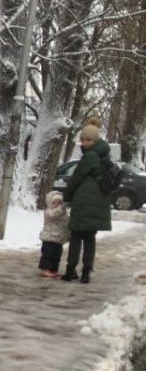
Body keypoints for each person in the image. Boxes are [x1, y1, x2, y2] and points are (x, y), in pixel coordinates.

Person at [62, 120, 113, 283]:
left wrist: (66, 197)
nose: (84, 143)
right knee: (90, 238)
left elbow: (76, 179)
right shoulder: (104, 155)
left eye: (88, 140)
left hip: (84, 202)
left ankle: (71, 270)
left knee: (76, 236)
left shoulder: (90, 156)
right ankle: (86, 272)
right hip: (100, 201)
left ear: (95, 140)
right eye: (82, 140)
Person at [38, 190, 68, 279]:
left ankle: (53, 269)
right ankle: (45, 269)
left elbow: (66, 224)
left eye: (59, 203)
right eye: (54, 202)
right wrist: (62, 207)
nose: (57, 205)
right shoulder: (49, 212)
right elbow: (54, 215)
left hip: (59, 239)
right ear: (49, 203)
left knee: (57, 255)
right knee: (48, 254)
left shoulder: (63, 214)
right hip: (49, 238)